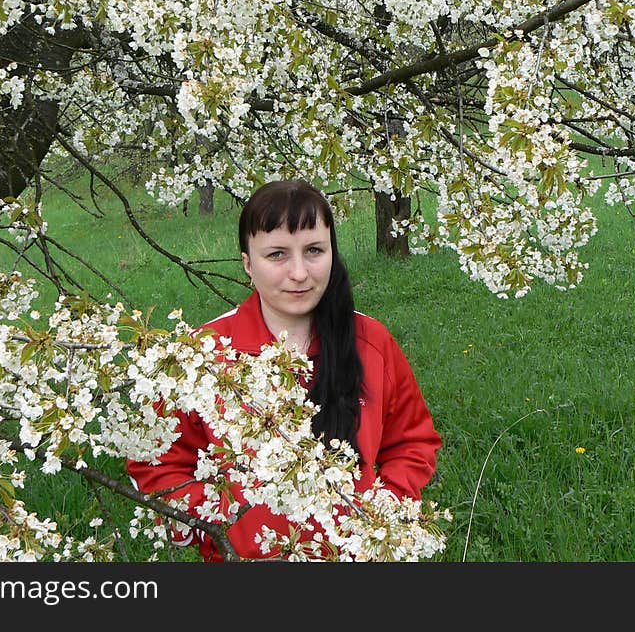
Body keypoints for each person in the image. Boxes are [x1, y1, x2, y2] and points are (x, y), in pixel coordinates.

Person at [127, 179, 441, 561]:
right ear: (248, 264)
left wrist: (382, 514)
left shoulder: (371, 343)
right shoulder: (202, 356)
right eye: (276, 255)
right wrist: (217, 527)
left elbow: (412, 441)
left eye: (313, 251)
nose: (299, 272)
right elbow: (158, 461)